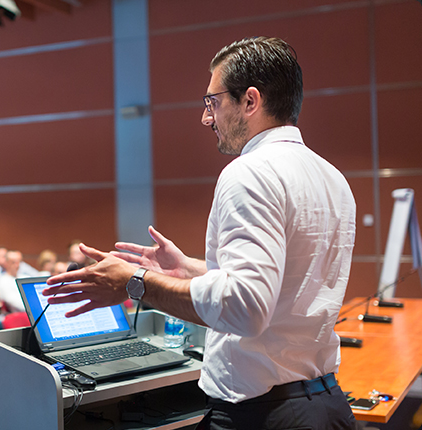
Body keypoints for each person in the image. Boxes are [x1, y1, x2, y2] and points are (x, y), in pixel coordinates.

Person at [44, 37, 357, 429]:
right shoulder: (331, 178)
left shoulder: (251, 171)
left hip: (265, 415)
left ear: (250, 101)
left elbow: (246, 308)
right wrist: (190, 269)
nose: (206, 118)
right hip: (324, 405)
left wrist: (136, 284)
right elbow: (283, 285)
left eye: (213, 102)